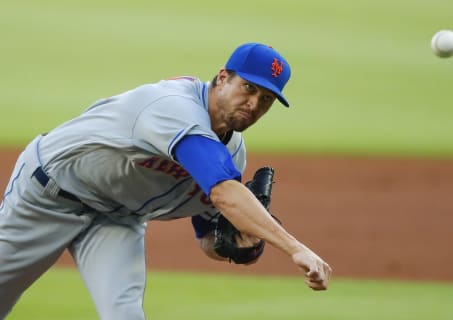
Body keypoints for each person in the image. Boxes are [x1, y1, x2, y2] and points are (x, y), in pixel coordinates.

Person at [0, 42, 332, 319]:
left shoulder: (232, 154)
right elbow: (224, 195)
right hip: (48, 196)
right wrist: (294, 248)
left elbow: (208, 237)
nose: (254, 104)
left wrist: (239, 243)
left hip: (117, 218)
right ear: (222, 78)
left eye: (266, 99)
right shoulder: (174, 108)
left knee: (125, 314)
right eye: (249, 88)